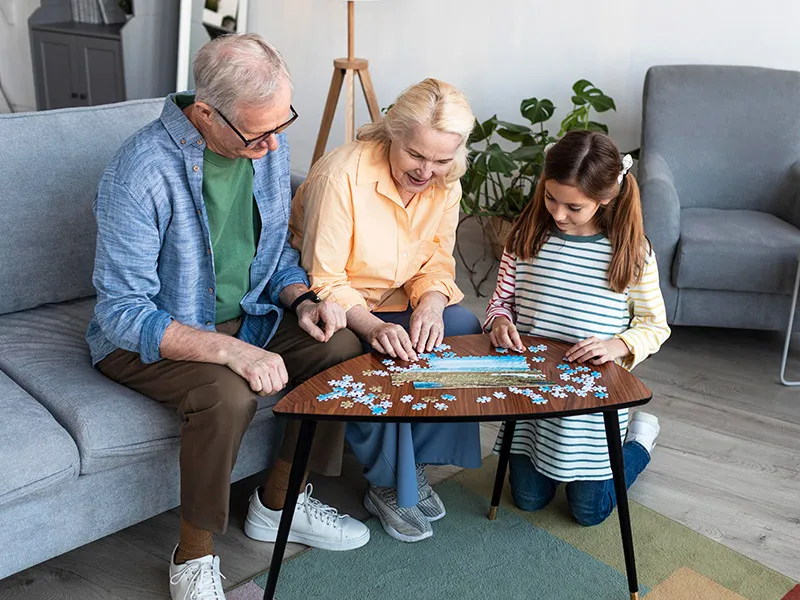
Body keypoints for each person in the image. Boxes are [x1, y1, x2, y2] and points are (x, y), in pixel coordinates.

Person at [86, 33, 369, 600]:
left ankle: (279, 503)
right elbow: (121, 312)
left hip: (252, 316)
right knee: (229, 393)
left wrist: (302, 301)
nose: (271, 145)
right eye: (257, 133)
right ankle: (192, 555)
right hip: (149, 339)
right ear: (205, 113)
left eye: (280, 125)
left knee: (342, 350)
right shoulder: (139, 172)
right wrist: (231, 351)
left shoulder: (264, 142)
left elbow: (275, 257)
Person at [289, 78, 483, 542]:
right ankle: (387, 483)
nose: (427, 171)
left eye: (441, 159)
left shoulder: (445, 178)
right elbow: (326, 278)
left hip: (395, 299)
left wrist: (432, 307)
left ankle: (412, 465)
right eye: (417, 155)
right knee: (375, 353)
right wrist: (374, 328)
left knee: (460, 326)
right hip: (331, 306)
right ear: (393, 132)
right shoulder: (342, 175)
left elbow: (436, 260)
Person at [484, 130, 670, 526]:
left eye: (574, 207)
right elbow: (501, 303)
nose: (557, 213)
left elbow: (655, 326)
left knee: (590, 512)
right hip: (531, 395)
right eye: (550, 197)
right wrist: (499, 321)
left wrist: (617, 345)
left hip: (590, 407)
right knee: (527, 500)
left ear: (605, 198)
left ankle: (637, 440)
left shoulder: (632, 253)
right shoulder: (523, 237)